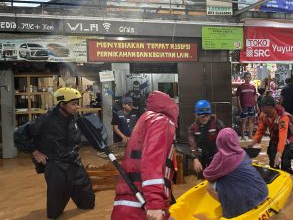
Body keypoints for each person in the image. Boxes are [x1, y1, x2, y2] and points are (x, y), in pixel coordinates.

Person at [14, 87, 95, 219]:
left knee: (87, 200)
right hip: (56, 165)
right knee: (55, 209)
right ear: (61, 104)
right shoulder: (45, 121)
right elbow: (18, 135)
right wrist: (35, 152)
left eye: (77, 103)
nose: (77, 107)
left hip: (74, 161)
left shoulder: (74, 117)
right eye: (73, 104)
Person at [111, 91, 178, 220]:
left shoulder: (146, 118)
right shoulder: (162, 121)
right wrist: (155, 203)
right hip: (140, 205)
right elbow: (151, 163)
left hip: (130, 202)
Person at [203, 128, 268, 218]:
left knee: (209, 186)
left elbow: (207, 174)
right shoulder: (242, 152)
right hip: (263, 192)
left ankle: (226, 206)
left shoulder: (219, 157)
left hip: (242, 207)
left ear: (219, 142)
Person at [248, 96, 293, 174]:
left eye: (264, 109)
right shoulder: (263, 115)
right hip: (274, 138)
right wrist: (252, 143)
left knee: (285, 164)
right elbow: (260, 130)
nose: (263, 112)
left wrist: (279, 153)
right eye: (262, 110)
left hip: (287, 139)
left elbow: (283, 136)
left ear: (271, 108)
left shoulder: (283, 117)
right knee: (273, 164)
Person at [188, 100, 225, 179]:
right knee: (201, 179)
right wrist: (195, 159)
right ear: (197, 115)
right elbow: (192, 144)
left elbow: (225, 141)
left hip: (216, 156)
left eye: (206, 115)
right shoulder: (193, 128)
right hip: (201, 157)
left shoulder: (217, 124)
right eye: (202, 116)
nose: (204, 118)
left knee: (216, 179)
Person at [236, 72, 258, 140]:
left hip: (252, 106)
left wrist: (256, 106)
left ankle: (250, 135)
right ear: (244, 78)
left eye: (249, 77)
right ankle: (243, 136)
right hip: (244, 106)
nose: (248, 79)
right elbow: (238, 97)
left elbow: (255, 97)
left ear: (251, 78)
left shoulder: (253, 87)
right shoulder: (240, 87)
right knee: (243, 121)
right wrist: (240, 107)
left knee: (251, 121)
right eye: (246, 77)